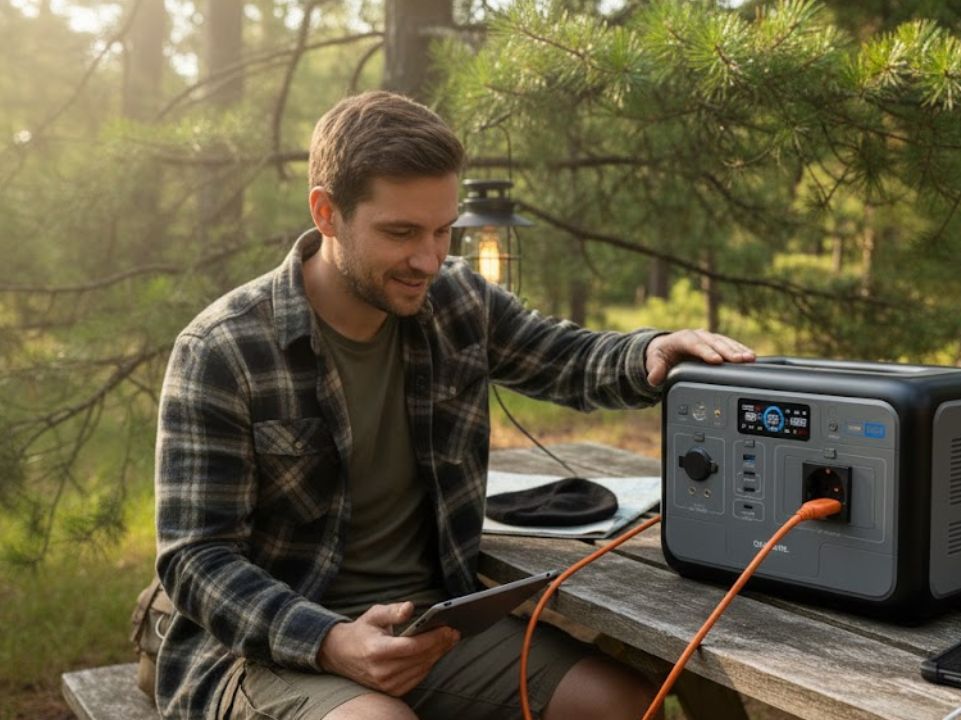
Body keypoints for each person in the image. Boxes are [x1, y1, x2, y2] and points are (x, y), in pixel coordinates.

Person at [153, 90, 756, 720]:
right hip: (268, 652)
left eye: (443, 230)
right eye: (401, 232)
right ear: (327, 213)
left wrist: (652, 350)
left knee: (625, 706)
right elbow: (196, 560)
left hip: (434, 628)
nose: (428, 259)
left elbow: (565, 357)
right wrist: (332, 642)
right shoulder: (221, 349)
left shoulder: (456, 300)